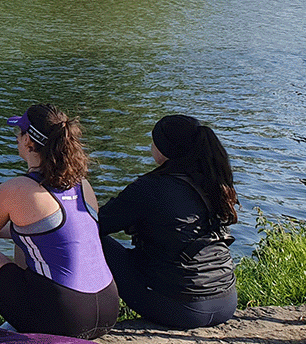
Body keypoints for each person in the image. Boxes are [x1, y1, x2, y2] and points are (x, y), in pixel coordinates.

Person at [0, 104, 118, 339]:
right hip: (108, 308)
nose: (17, 138)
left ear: (28, 140)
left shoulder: (16, 189)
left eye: (19, 133)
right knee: (26, 234)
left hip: (66, 318)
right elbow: (52, 232)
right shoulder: (83, 185)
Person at [97, 115, 238, 328]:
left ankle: (87, 314)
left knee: (97, 241)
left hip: (184, 311)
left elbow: (97, 224)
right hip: (226, 301)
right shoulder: (214, 182)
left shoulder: (150, 188)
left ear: (162, 150)